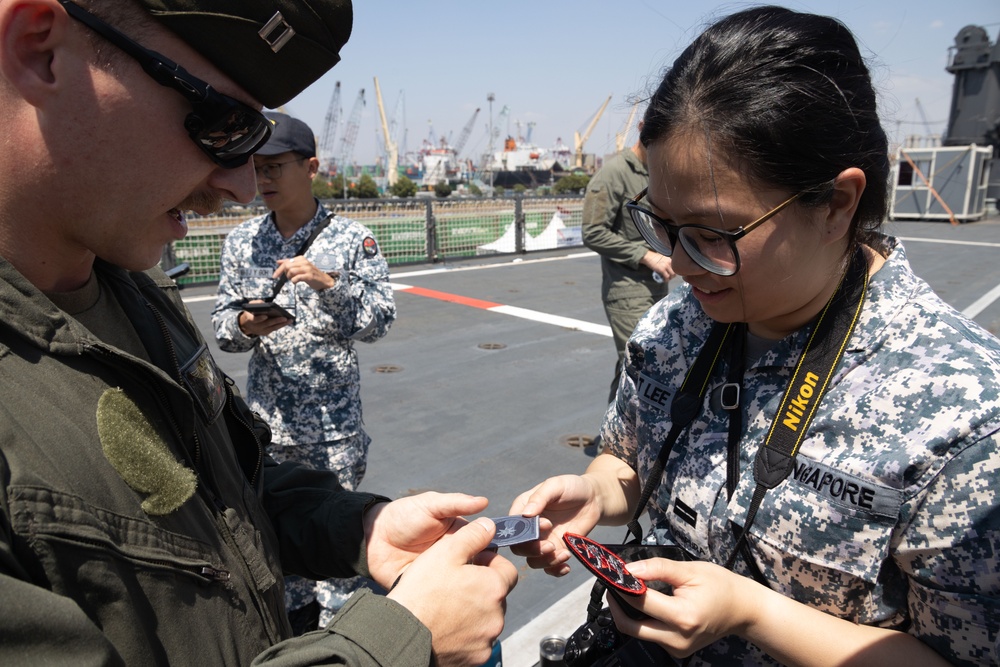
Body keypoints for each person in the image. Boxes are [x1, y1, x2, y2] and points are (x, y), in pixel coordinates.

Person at [0, 1, 515, 665]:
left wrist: (356, 525)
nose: (243, 185)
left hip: (330, 428)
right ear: (41, 48)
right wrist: (391, 646)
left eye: (263, 149)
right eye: (221, 123)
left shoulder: (129, 290)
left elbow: (216, 494)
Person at [511, 6, 999, 666]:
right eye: (662, 224)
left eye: (714, 234)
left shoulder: (967, 416)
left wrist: (752, 611)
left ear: (836, 203)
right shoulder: (677, 327)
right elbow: (627, 459)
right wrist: (596, 492)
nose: (681, 265)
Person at [212, 112, 396, 633]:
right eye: (255, 167)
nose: (262, 179)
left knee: (338, 543)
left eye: (274, 167)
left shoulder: (351, 239)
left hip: (332, 425)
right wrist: (246, 324)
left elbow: (379, 321)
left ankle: (347, 640)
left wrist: (327, 283)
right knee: (275, 540)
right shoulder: (242, 242)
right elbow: (224, 328)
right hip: (268, 421)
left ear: (311, 166)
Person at [582, 131, 674, 412]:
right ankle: (617, 446)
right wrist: (644, 255)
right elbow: (592, 231)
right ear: (646, 130)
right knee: (642, 363)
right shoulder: (613, 174)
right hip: (626, 289)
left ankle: (614, 439)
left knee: (631, 366)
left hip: (657, 286)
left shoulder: (656, 173)